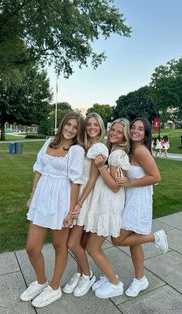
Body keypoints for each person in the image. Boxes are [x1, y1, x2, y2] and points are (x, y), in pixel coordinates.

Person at [20, 112, 85, 308]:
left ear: (78, 131)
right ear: (62, 124)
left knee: (59, 246)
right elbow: (39, 169)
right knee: (31, 247)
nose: (70, 130)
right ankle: (41, 281)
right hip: (42, 199)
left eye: (75, 127)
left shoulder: (76, 151)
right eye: (68, 125)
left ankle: (54, 287)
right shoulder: (48, 142)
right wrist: (32, 195)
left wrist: (71, 211)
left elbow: (75, 182)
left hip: (61, 202)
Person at [112, 118, 168, 298]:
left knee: (117, 239)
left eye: (140, 129)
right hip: (130, 198)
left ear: (145, 134)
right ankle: (140, 279)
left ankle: (155, 237)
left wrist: (130, 182)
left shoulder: (141, 150)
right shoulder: (130, 149)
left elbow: (156, 177)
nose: (135, 131)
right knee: (133, 242)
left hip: (138, 201)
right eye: (133, 127)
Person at [85, 118, 130, 299]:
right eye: (113, 130)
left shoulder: (118, 154)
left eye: (119, 132)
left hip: (110, 205)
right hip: (105, 202)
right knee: (94, 246)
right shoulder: (112, 150)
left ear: (124, 136)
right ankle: (110, 276)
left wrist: (101, 167)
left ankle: (115, 283)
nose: (113, 133)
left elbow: (114, 186)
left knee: (92, 247)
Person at [62, 113, 106, 297]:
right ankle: (80, 272)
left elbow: (93, 180)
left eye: (96, 124)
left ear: (101, 127)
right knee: (78, 242)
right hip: (76, 194)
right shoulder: (81, 145)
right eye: (89, 124)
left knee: (72, 243)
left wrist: (79, 203)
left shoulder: (99, 148)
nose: (92, 127)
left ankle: (88, 275)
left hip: (87, 198)